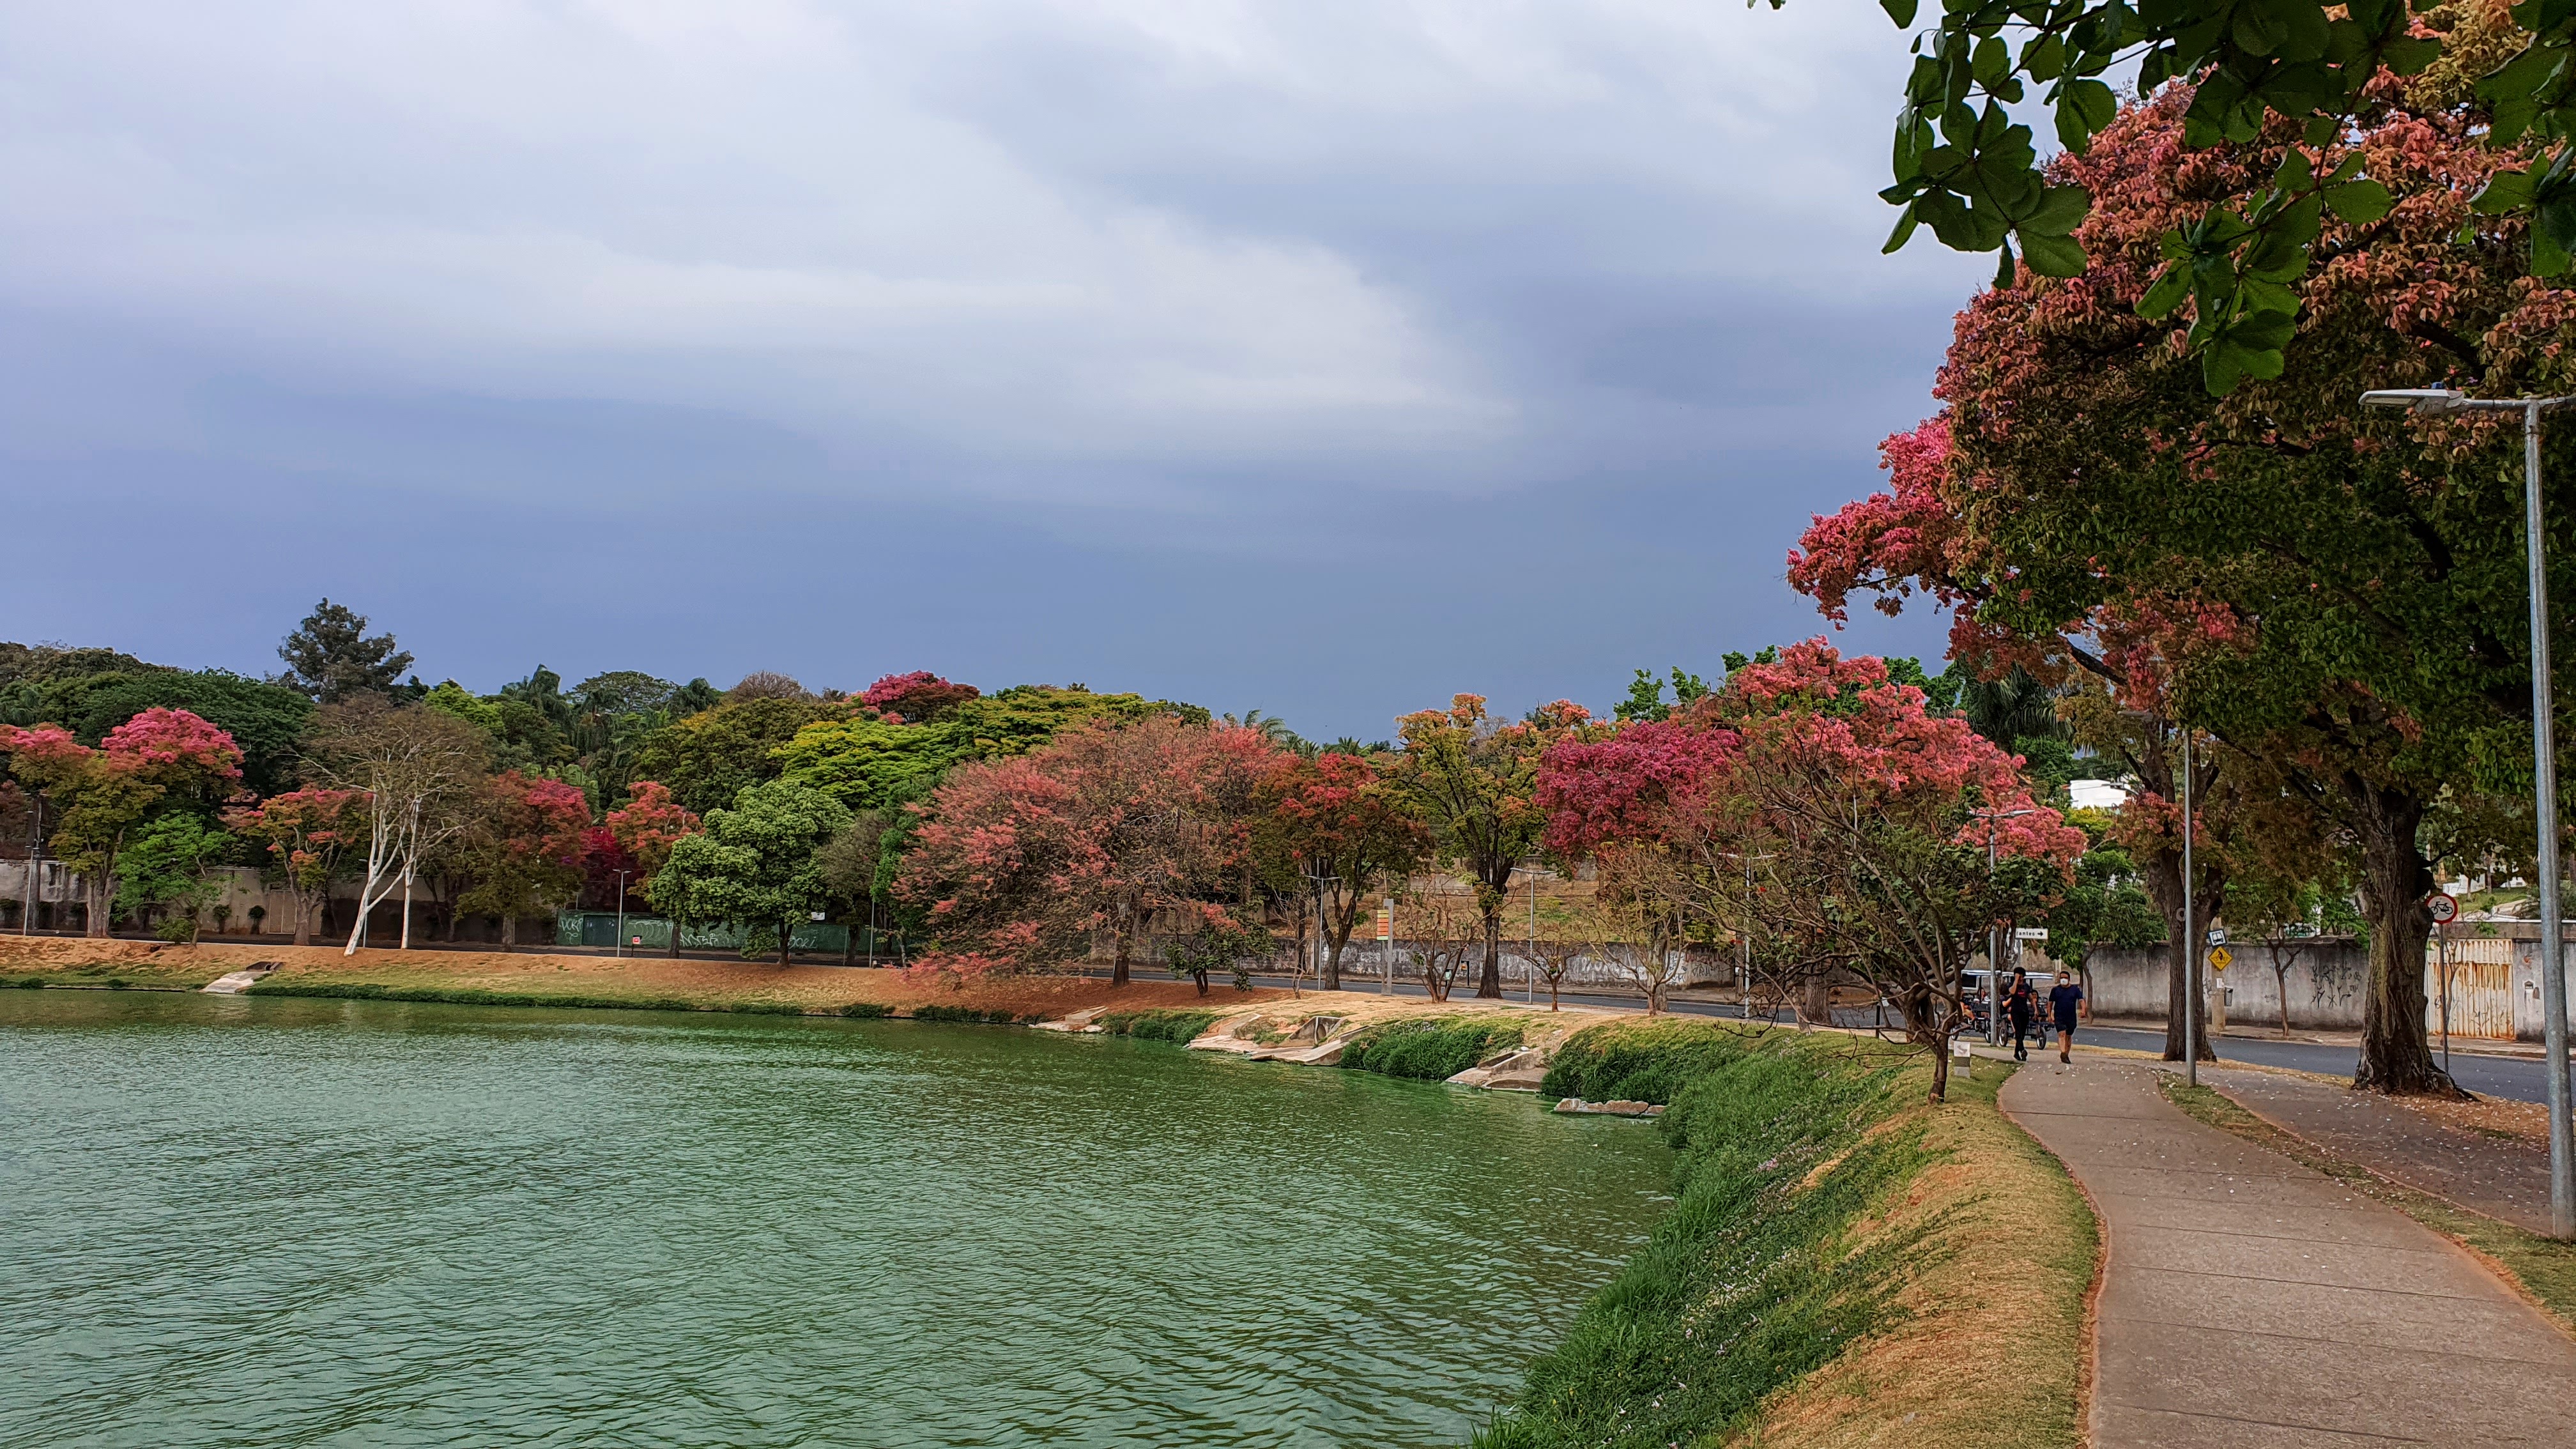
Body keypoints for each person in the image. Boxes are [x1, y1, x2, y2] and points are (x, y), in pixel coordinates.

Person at [2048, 971, 2086, 1063]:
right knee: (2062, 1034)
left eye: (2065, 978)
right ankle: (2063, 1052)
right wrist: (2049, 1015)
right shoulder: (2055, 990)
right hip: (2059, 1016)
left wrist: (2083, 1010)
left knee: (2068, 1036)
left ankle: (2066, 1054)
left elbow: (2081, 1000)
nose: (2063, 979)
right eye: (2061, 978)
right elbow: (2050, 1003)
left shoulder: (2075, 990)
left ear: (2069, 979)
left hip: (2071, 1017)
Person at [2005, 968, 2037, 1062]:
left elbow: (2031, 999)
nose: (2020, 978)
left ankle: (2016, 1053)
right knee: (2018, 1031)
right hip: (2015, 1012)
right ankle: (2023, 1050)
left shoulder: (2026, 986)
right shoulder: (2012, 985)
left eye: (2021, 976)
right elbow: (2012, 991)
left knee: (2022, 1034)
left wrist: (2035, 1010)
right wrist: (2016, 980)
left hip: (2024, 1012)